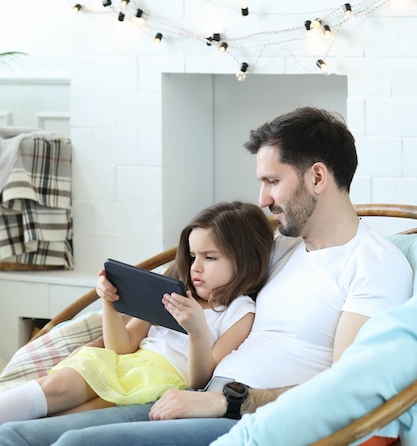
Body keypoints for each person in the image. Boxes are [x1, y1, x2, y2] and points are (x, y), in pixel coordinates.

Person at [0, 107, 413, 446]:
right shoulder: (281, 248)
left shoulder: (373, 265)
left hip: (247, 418)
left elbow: (344, 391)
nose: (263, 199)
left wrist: (228, 403)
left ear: (318, 177)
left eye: (272, 181)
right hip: (187, 393)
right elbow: (195, 279)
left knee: (74, 445)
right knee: (17, 435)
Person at [0, 201, 274, 424]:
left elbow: (201, 380)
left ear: (245, 260)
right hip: (123, 364)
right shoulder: (174, 292)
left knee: (60, 420)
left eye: (209, 257)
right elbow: (121, 346)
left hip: (159, 381)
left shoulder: (240, 312)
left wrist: (197, 331)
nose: (195, 267)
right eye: (192, 256)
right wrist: (109, 301)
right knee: (55, 386)